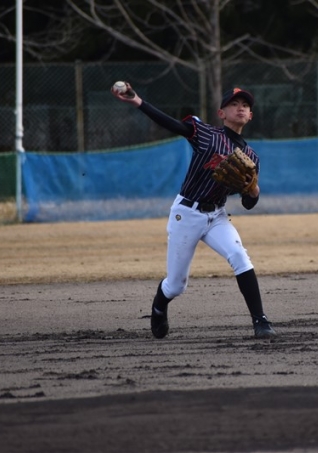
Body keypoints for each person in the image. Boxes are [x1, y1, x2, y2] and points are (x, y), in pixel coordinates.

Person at [110, 83, 277, 340]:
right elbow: (173, 125)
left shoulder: (251, 157)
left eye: (245, 105)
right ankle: (159, 305)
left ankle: (261, 321)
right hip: (187, 213)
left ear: (251, 115)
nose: (240, 108)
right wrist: (138, 102)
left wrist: (254, 190)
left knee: (239, 256)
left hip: (217, 216)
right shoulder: (207, 134)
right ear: (221, 113)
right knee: (176, 285)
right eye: (234, 104)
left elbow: (248, 202)